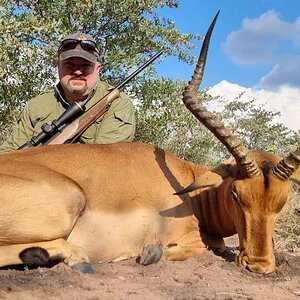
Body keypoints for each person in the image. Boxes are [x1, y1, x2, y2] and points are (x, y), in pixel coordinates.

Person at [0, 33, 135, 153]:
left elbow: (104, 161)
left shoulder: (117, 103)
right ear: (58, 66)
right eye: (70, 65)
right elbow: (8, 154)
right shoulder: (35, 107)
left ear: (98, 69)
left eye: (85, 65)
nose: (77, 71)